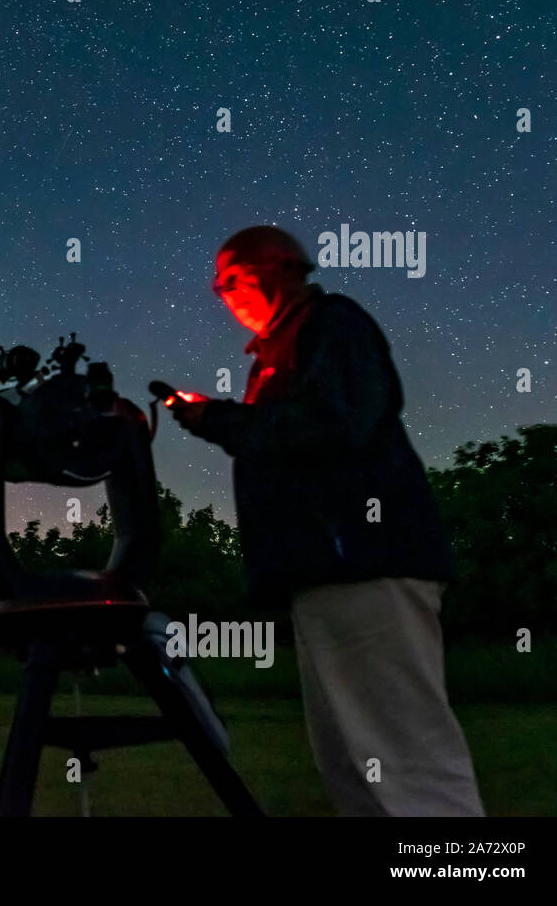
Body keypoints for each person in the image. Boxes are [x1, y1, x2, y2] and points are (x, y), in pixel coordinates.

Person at [168, 224, 485, 816]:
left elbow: (334, 425)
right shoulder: (283, 349)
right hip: (324, 575)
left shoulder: (332, 325)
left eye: (234, 280)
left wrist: (219, 420)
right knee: (350, 765)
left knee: (405, 758)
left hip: (367, 563)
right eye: (220, 286)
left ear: (282, 269)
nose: (225, 294)